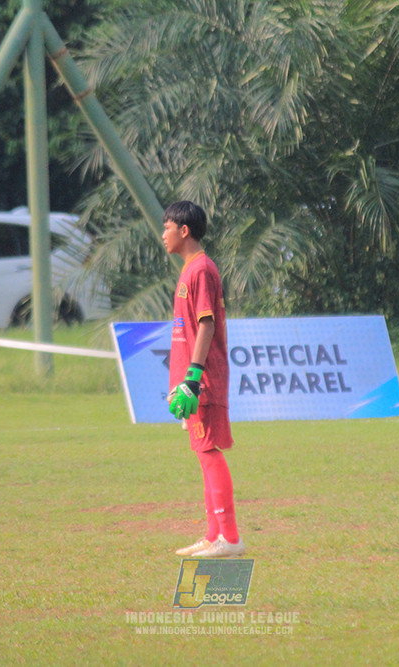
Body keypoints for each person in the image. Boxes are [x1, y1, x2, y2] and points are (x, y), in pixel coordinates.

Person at [162, 200, 245, 558]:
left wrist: (194, 378)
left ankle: (230, 537)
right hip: (191, 380)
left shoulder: (202, 270)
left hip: (203, 378)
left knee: (210, 453)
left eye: (167, 227)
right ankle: (214, 536)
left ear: (184, 231)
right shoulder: (188, 270)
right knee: (202, 454)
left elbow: (206, 325)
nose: (162, 234)